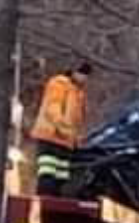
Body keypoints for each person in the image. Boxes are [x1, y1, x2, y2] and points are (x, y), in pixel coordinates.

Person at [29, 62, 92, 195]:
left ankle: (53, 201)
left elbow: (77, 120)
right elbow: (53, 108)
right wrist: (63, 128)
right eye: (82, 74)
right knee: (48, 173)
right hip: (51, 137)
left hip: (65, 142)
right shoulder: (59, 84)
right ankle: (44, 200)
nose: (84, 79)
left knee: (61, 178)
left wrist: (75, 138)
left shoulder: (78, 93)